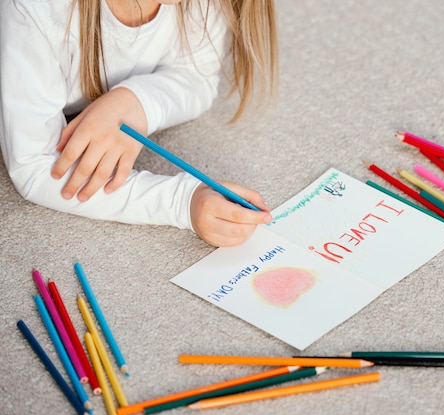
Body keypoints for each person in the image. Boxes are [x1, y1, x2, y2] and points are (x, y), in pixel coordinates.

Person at [0, 0, 278, 246]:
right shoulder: (33, 10)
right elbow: (34, 166)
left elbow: (197, 76)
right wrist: (179, 202)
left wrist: (137, 103)